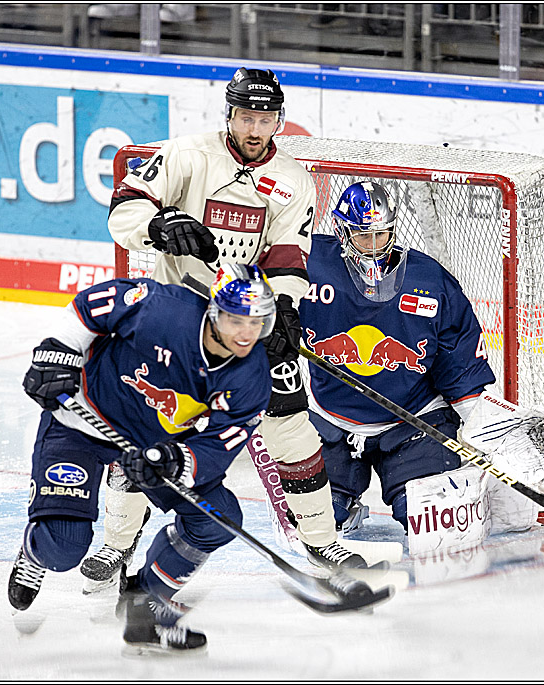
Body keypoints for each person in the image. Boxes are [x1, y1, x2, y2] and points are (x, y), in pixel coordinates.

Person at [93, 66, 363, 590]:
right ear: (229, 115)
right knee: (138, 427)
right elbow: (123, 211)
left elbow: (288, 253)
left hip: (244, 320)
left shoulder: (292, 180)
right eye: (246, 115)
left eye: (266, 116)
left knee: (289, 428)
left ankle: (321, 540)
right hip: (177, 317)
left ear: (279, 120)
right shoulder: (186, 156)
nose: (256, 127)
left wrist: (282, 310)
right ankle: (116, 542)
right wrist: (158, 226)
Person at [8, 264, 277, 651]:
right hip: (83, 420)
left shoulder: (250, 376)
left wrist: (174, 460)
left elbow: (221, 444)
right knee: (63, 547)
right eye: (236, 320)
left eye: (257, 322)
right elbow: (89, 309)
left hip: (152, 445)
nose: (247, 333)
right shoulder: (161, 309)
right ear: (215, 312)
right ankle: (34, 554)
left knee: (218, 520)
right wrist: (58, 352)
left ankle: (146, 604)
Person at [298, 180, 499, 533]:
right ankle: (345, 500)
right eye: (364, 236)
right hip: (333, 418)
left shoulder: (428, 278)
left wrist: (474, 414)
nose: (375, 247)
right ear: (343, 232)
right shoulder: (309, 263)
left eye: (382, 234)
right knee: (322, 519)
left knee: (426, 520)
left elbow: (458, 348)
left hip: (413, 419)